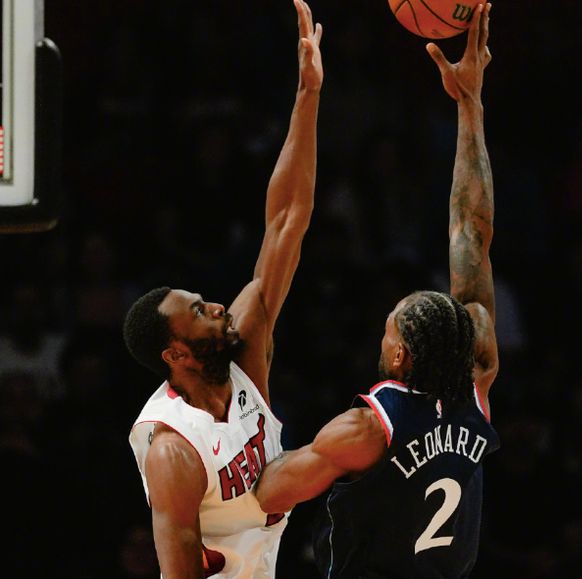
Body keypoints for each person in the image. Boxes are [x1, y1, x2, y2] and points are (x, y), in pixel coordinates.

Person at [255, 4, 498, 578]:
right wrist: (470, 105)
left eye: (388, 328)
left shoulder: (367, 429)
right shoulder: (477, 382)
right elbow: (472, 229)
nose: (381, 336)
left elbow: (268, 493)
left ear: (400, 355)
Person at [122, 1, 323, 577]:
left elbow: (286, 220)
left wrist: (307, 95)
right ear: (176, 354)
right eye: (197, 312)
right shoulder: (172, 449)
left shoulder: (244, 349)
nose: (215, 305)